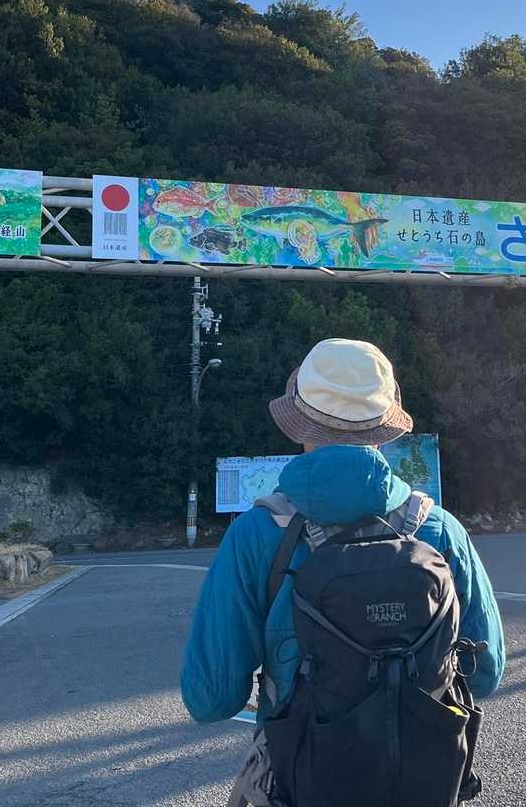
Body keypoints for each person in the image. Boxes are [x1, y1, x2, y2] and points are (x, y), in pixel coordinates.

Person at [181, 337, 505, 807]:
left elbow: (211, 698)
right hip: (421, 782)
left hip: (303, 782)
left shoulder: (257, 534)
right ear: (384, 428)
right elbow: (485, 673)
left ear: (300, 423)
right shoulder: (438, 530)